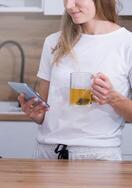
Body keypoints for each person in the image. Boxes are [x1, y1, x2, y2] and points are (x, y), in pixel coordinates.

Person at [18, 0, 132, 161]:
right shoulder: (53, 42)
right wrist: (35, 113)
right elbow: (44, 111)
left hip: (99, 157)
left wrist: (113, 97)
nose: (69, 5)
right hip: (48, 154)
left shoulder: (127, 43)